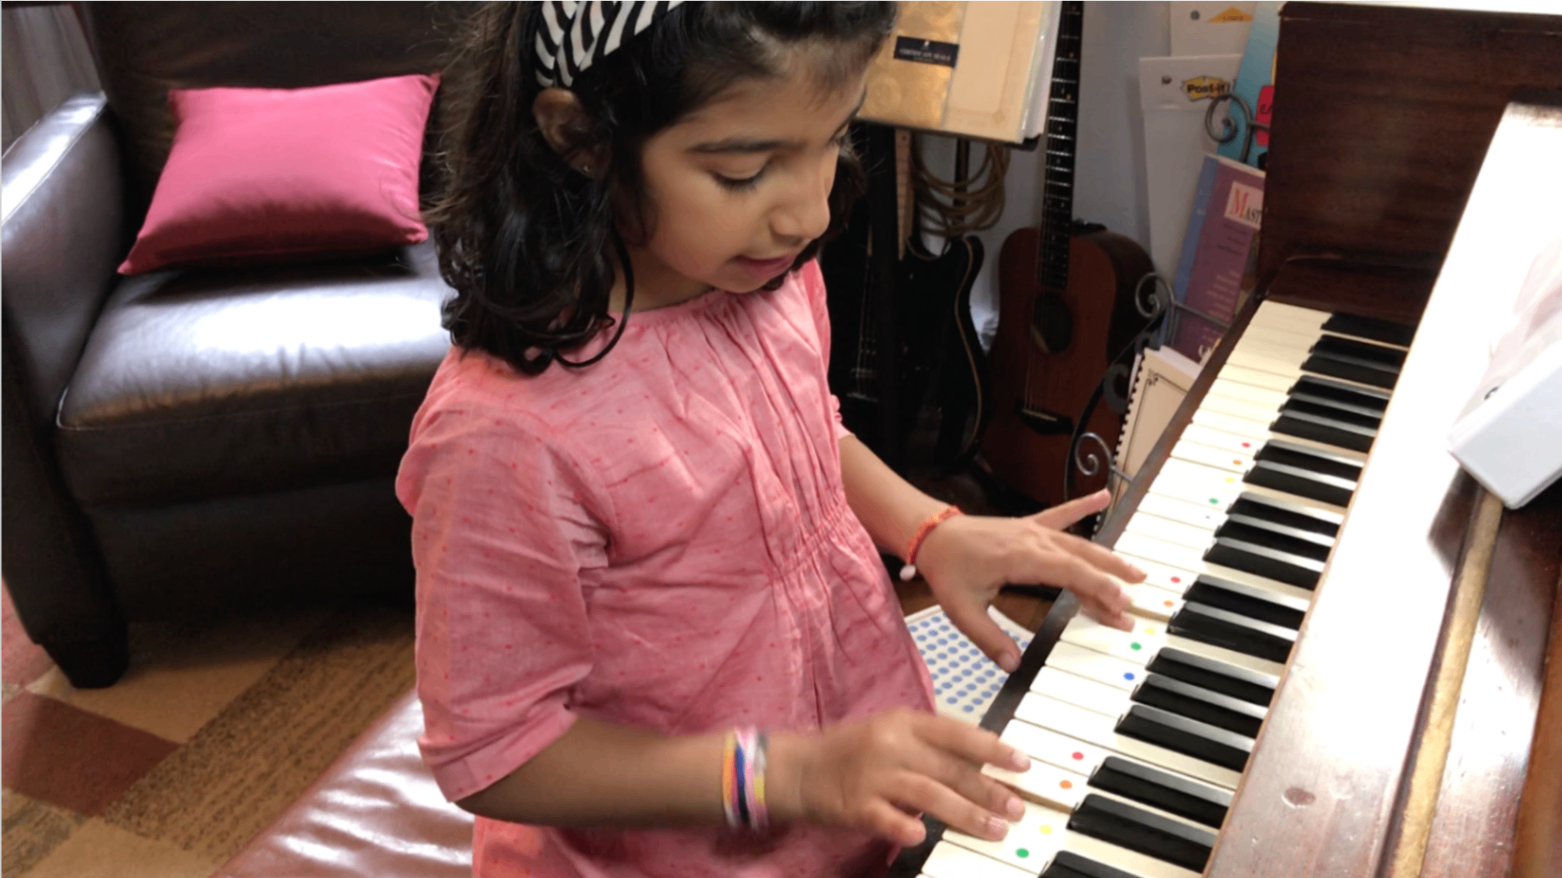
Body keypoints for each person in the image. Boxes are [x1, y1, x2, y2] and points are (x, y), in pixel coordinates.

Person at [397, 2, 1146, 875]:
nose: (810, 216)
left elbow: (804, 432)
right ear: (582, 136)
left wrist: (931, 530)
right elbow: (496, 753)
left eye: (833, 139)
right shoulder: (506, 435)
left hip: (847, 796)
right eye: (745, 172)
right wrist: (782, 775)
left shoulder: (761, 274)